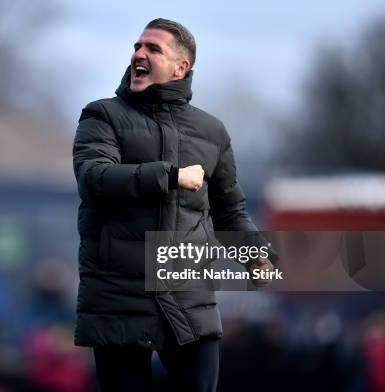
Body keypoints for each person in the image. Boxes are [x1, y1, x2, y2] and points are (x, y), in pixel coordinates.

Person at [72, 18, 275, 391]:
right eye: (137, 46)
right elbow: (94, 177)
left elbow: (230, 210)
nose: (139, 54)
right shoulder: (102, 116)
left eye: (152, 49)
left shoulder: (212, 132)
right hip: (120, 300)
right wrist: (170, 175)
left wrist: (256, 257)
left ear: (181, 67)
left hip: (188, 297)